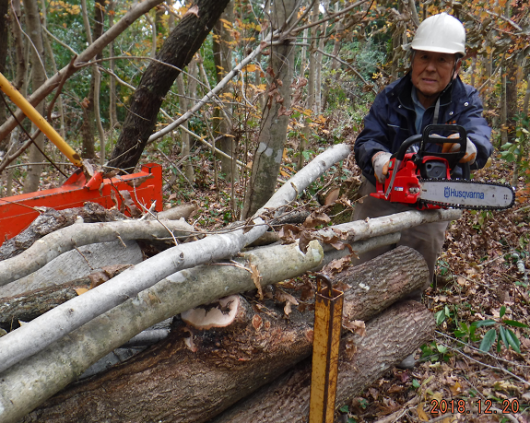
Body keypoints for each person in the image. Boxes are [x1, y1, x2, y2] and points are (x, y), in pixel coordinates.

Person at [352, 13, 493, 298]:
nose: (430, 68)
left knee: (414, 273)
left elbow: (479, 133)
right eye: (424, 57)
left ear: (456, 65)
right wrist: (379, 158)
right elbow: (368, 138)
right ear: (412, 58)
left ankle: (406, 317)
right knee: (358, 265)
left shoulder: (465, 101)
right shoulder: (390, 96)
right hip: (385, 190)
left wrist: (469, 147)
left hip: (431, 197)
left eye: (441, 60)